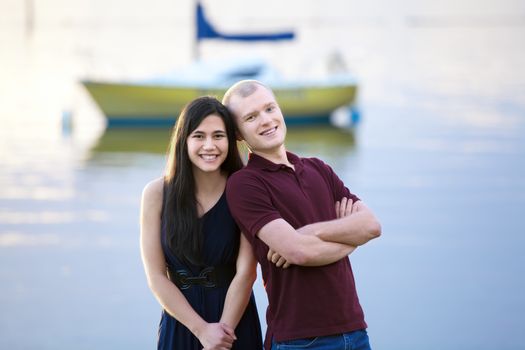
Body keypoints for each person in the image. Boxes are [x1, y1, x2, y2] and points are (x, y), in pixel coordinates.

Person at [222, 80, 382, 350]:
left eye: (269, 109)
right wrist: (350, 236)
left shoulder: (319, 168)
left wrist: (309, 233)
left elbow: (371, 226)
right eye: (251, 117)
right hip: (300, 340)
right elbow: (299, 253)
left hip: (355, 331)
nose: (266, 120)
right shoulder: (245, 184)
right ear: (238, 133)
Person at [140, 96, 263, 350]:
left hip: (234, 321)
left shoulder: (243, 188)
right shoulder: (156, 194)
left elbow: (247, 272)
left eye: (218, 136)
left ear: (230, 140)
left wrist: (221, 336)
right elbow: (156, 276)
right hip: (182, 321)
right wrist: (202, 330)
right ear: (184, 140)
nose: (210, 145)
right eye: (199, 136)